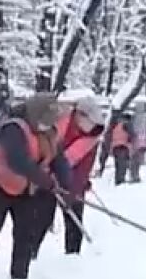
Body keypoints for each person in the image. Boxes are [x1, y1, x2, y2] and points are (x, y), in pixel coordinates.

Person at [0, 93, 72, 279]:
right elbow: (19, 161)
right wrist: (46, 181)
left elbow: (58, 160)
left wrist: (67, 185)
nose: (47, 126)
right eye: (45, 121)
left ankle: (19, 278)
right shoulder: (14, 128)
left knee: (25, 233)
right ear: (36, 114)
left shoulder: (49, 133)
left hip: (26, 190)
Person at [35, 96, 103, 256]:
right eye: (91, 122)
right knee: (41, 220)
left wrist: (75, 188)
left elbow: (83, 167)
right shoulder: (59, 125)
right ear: (80, 115)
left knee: (74, 221)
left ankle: (72, 260)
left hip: (71, 182)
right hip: (46, 177)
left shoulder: (92, 138)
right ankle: (29, 257)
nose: (93, 126)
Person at [99, 111, 136, 185]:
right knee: (122, 165)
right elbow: (132, 136)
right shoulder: (127, 124)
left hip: (115, 148)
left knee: (118, 165)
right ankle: (120, 181)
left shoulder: (114, 125)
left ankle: (118, 180)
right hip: (123, 147)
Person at [129, 118, 146, 183]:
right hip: (140, 148)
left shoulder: (134, 129)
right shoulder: (143, 131)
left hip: (136, 148)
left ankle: (134, 176)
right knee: (136, 164)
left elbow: (133, 139)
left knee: (134, 164)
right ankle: (135, 176)